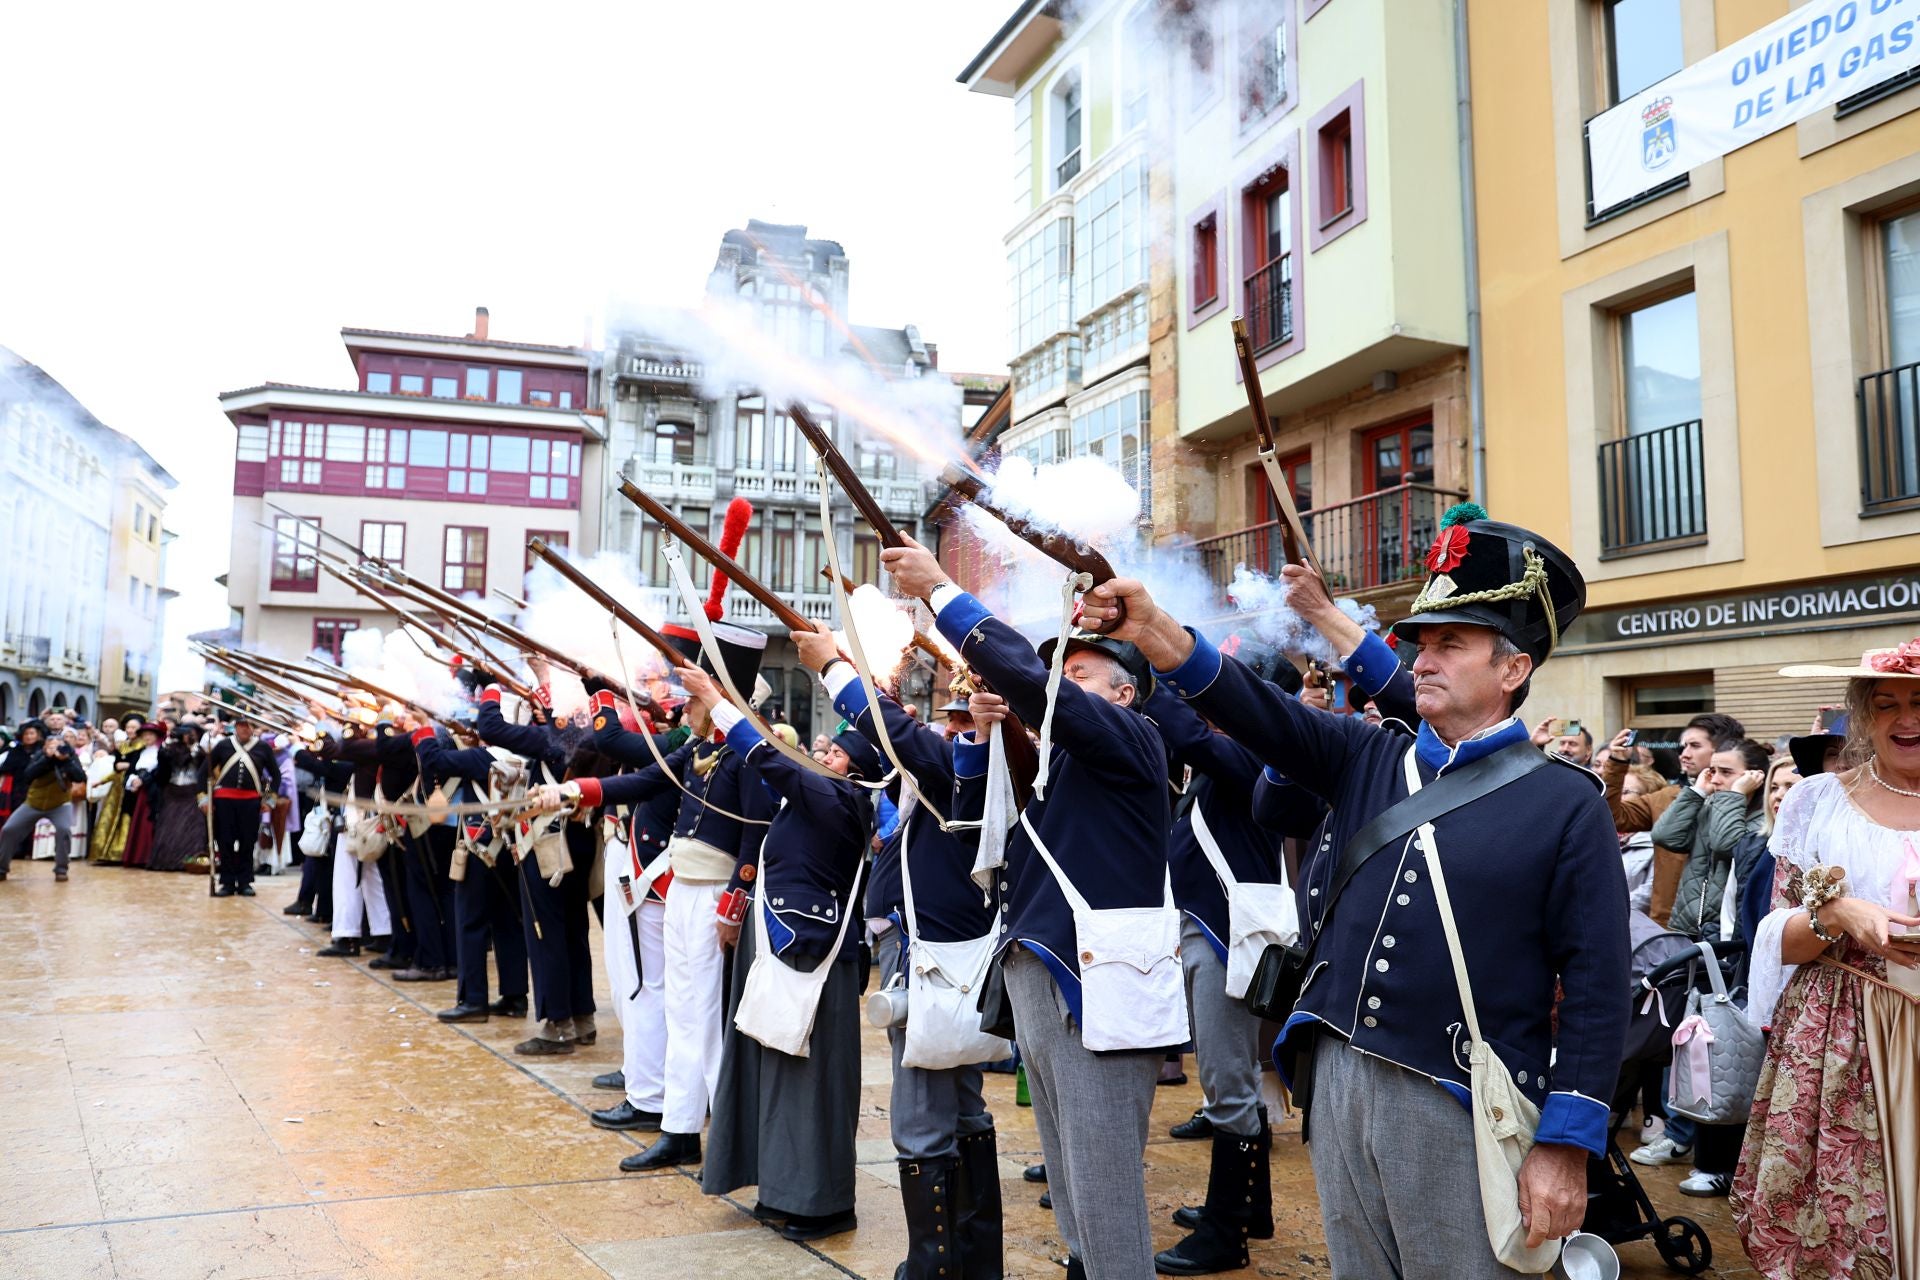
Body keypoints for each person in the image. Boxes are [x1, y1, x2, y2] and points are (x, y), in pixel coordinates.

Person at [1081, 508, 1629, 1280]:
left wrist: (1566, 1148)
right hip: (1337, 1077)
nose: (1424, 660)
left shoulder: (1567, 802)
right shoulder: (1369, 753)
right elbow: (1248, 707)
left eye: (1451, 644)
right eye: (1422, 643)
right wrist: (1153, 630)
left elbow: (1601, 989)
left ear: (1512, 670)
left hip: (1456, 1097)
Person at [884, 538, 1174, 1280]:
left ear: (1122, 694)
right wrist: (985, 730)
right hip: (1041, 976)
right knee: (1073, 1188)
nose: (1061, 683)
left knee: (1105, 1195)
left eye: (1078, 673)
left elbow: (1034, 688)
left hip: (1092, 986)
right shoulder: (1058, 762)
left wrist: (944, 592)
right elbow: (972, 816)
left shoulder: (1133, 741)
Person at [799, 630, 1005, 1280]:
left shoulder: (969, 770)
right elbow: (888, 742)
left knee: (919, 1117)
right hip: (956, 950)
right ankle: (974, 1261)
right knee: (965, 1103)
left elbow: (890, 734)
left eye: (966, 718)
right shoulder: (981, 767)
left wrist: (834, 667)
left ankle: (932, 1267)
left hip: (928, 952)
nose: (956, 726)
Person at [1734, 644, 1920, 1279]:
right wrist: (1837, 915)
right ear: (1862, 717)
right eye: (1886, 702)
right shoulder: (1818, 801)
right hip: (1839, 1038)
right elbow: (1775, 937)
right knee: (1842, 1227)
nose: (1905, 717)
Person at [678, 659, 873, 1243]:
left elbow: (764, 756)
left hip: (810, 954)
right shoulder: (821, 793)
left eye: (837, 752)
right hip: (783, 946)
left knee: (808, 1085)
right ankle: (782, 1189)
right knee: (774, 1073)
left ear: (857, 771)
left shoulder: (841, 799)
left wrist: (717, 699)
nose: (823, 751)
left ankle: (821, 1203)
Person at [0, 718, 87, 881]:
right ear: (45, 745)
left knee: (64, 830)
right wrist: (47, 759)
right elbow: (28, 775)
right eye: (51, 744)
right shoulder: (39, 755)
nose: (54, 747)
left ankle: (61, 870)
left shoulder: (69, 755)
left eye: (57, 744)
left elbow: (80, 777)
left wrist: (65, 760)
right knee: (9, 829)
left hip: (60, 803)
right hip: (34, 803)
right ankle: (1, 868)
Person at [206, 718, 280, 896]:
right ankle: (228, 882)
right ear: (235, 728)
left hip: (251, 801)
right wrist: (203, 799)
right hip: (224, 801)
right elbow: (205, 772)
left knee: (248, 842)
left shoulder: (263, 748)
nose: (244, 729)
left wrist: (270, 800)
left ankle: (245, 881)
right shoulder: (223, 745)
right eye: (241, 725)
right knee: (225, 841)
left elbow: (276, 776)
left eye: (248, 726)